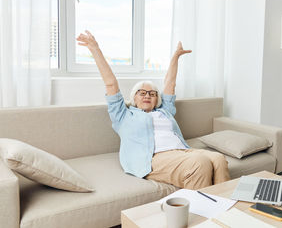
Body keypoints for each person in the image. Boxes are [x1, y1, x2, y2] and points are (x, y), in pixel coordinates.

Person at [76, 30, 230, 189]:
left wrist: (175, 57)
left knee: (218, 159)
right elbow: (110, 84)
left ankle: (223, 209)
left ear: (158, 99)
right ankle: (202, 211)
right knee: (200, 163)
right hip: (152, 158)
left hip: (182, 152)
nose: (147, 96)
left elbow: (170, 83)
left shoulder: (165, 111)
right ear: (133, 98)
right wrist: (95, 49)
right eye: (141, 93)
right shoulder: (123, 115)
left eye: (152, 93)